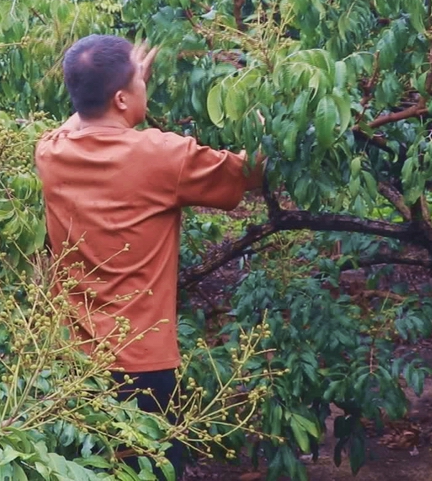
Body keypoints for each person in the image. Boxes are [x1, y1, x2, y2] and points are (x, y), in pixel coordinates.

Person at [34, 34, 265, 479]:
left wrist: (111, 84)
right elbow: (253, 169)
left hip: (70, 361)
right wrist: (270, 109)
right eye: (139, 81)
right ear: (122, 98)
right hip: (142, 364)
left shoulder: (50, 151)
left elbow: (80, 117)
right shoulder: (165, 157)